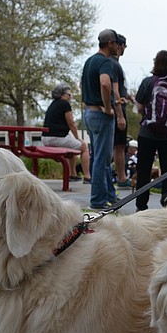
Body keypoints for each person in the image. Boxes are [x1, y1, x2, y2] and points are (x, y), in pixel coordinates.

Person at [134, 50, 167, 211]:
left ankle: (141, 206)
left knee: (143, 170)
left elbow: (140, 106)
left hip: (146, 134)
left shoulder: (147, 82)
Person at [81, 28, 119, 209]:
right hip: (100, 113)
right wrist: (108, 107)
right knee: (102, 160)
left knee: (99, 157)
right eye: (117, 43)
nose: (118, 47)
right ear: (110, 43)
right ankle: (97, 201)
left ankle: (108, 195)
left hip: (88, 112)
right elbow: (105, 83)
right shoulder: (105, 62)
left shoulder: (89, 61)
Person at [41, 83, 91, 183]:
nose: (70, 96)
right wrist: (78, 138)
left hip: (45, 138)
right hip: (57, 138)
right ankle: (87, 176)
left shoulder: (53, 104)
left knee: (72, 148)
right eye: (69, 94)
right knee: (84, 147)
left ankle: (72, 174)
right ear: (62, 94)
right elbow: (71, 123)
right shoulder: (64, 104)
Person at [112, 34, 131, 189]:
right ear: (119, 45)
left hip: (115, 106)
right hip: (116, 109)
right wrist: (119, 113)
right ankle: (121, 177)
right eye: (124, 45)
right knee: (119, 146)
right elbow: (113, 89)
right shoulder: (112, 64)